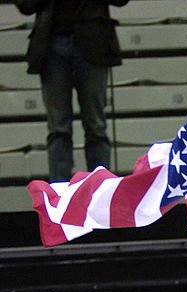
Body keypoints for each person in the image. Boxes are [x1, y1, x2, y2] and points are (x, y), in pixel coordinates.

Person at [15, 0, 128, 182]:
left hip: (93, 41)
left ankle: (100, 191)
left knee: (95, 126)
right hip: (52, 43)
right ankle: (60, 194)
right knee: (59, 128)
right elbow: (25, 5)